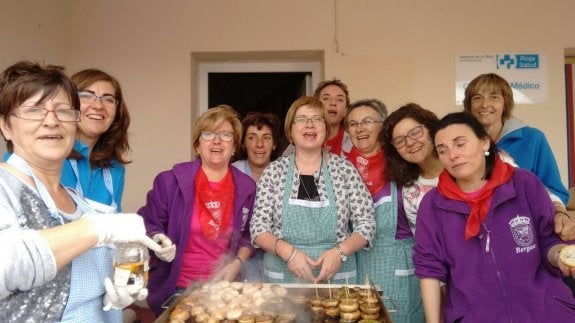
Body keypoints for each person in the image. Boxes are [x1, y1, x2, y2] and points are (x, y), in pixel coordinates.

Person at [0, 61, 159, 322]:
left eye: (63, 111)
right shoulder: (4, 187)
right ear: (6, 125)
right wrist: (98, 229)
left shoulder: (79, 202)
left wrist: (114, 294)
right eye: (34, 111)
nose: (51, 121)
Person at [414, 112, 575, 322]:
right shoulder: (432, 205)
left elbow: (549, 240)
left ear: (485, 143)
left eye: (460, 144)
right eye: (442, 150)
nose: (452, 155)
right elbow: (430, 271)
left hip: (544, 312)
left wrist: (561, 256)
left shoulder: (524, 183)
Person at [139, 105, 256, 315]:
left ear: (235, 146)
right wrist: (158, 240)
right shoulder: (170, 181)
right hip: (176, 290)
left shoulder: (247, 188)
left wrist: (237, 263)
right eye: (208, 133)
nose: (217, 140)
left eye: (226, 135)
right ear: (197, 145)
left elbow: (248, 236)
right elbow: (147, 223)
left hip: (223, 290)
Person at [250, 96, 375, 284]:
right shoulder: (274, 172)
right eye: (301, 119)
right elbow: (258, 228)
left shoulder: (345, 170)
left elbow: (367, 223)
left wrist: (340, 252)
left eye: (317, 119)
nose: (310, 125)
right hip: (282, 278)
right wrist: (289, 253)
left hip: (338, 277)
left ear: (325, 129)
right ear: (290, 131)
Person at [463, 73, 575, 241]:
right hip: (477, 234)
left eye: (494, 97)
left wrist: (559, 211)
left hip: (526, 231)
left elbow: (553, 188)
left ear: (505, 104)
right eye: (477, 98)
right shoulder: (461, 143)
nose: (485, 104)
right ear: (469, 105)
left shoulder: (533, 138)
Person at [346, 99, 423, 322]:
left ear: (383, 126)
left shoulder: (403, 164)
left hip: (398, 265)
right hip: (356, 265)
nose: (360, 128)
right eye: (353, 124)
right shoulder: (341, 166)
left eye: (367, 121)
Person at [60, 68, 130, 212]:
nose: (98, 106)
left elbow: (114, 227)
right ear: (68, 103)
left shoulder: (115, 169)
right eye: (86, 96)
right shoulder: (47, 157)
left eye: (108, 99)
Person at [381, 103, 443, 234]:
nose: (409, 143)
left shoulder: (461, 167)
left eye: (415, 133)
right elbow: (423, 240)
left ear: (431, 131)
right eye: (399, 141)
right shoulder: (410, 192)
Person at [283, 79, 353, 157]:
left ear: (346, 110)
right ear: (316, 105)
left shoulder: (355, 143)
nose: (333, 103)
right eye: (326, 98)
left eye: (339, 99)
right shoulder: (294, 147)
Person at [232, 111, 281, 182]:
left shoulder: (285, 173)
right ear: (243, 143)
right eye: (252, 138)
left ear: (274, 144)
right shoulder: (232, 173)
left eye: (266, 138)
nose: (259, 144)